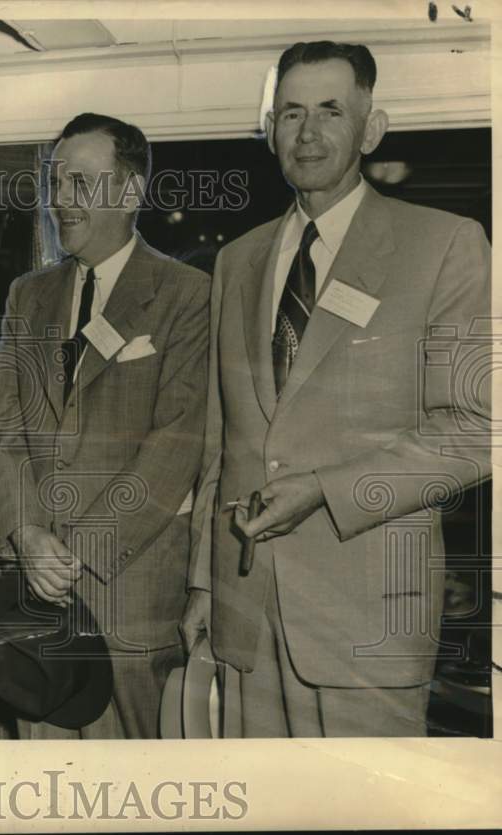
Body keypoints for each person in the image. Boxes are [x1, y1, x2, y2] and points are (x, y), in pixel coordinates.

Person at [181, 41, 491, 737]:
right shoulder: (238, 259)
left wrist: (325, 487)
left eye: (330, 110)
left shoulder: (444, 244)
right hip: (246, 611)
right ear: (270, 133)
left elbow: (475, 429)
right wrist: (204, 581)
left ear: (370, 128)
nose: (308, 132)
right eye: (290, 113)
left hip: (368, 621)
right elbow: (218, 440)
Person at [0, 113, 210, 739]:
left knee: (140, 791)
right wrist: (26, 535)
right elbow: (3, 426)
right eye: (56, 182)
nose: (61, 201)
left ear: (130, 193)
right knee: (51, 790)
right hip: (37, 593)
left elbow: (178, 442)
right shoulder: (29, 294)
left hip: (129, 599)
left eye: (81, 182)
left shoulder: (186, 294)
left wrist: (76, 552)